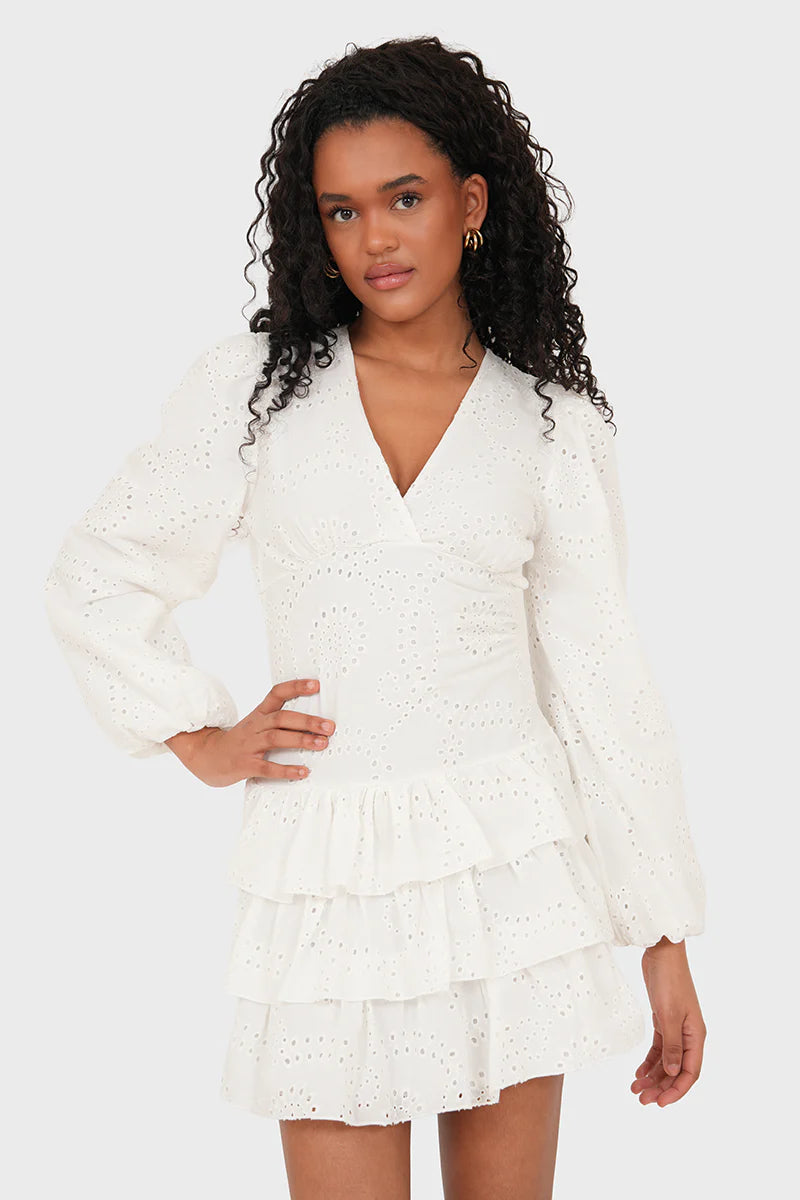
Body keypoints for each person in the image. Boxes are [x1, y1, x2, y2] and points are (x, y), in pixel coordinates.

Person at [43, 34, 707, 1200]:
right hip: (326, 876)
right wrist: (194, 735)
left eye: (404, 198)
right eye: (341, 212)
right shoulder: (257, 391)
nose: (375, 239)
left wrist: (662, 937)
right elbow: (100, 569)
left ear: (470, 203)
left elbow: (601, 683)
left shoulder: (548, 429)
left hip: (510, 870)